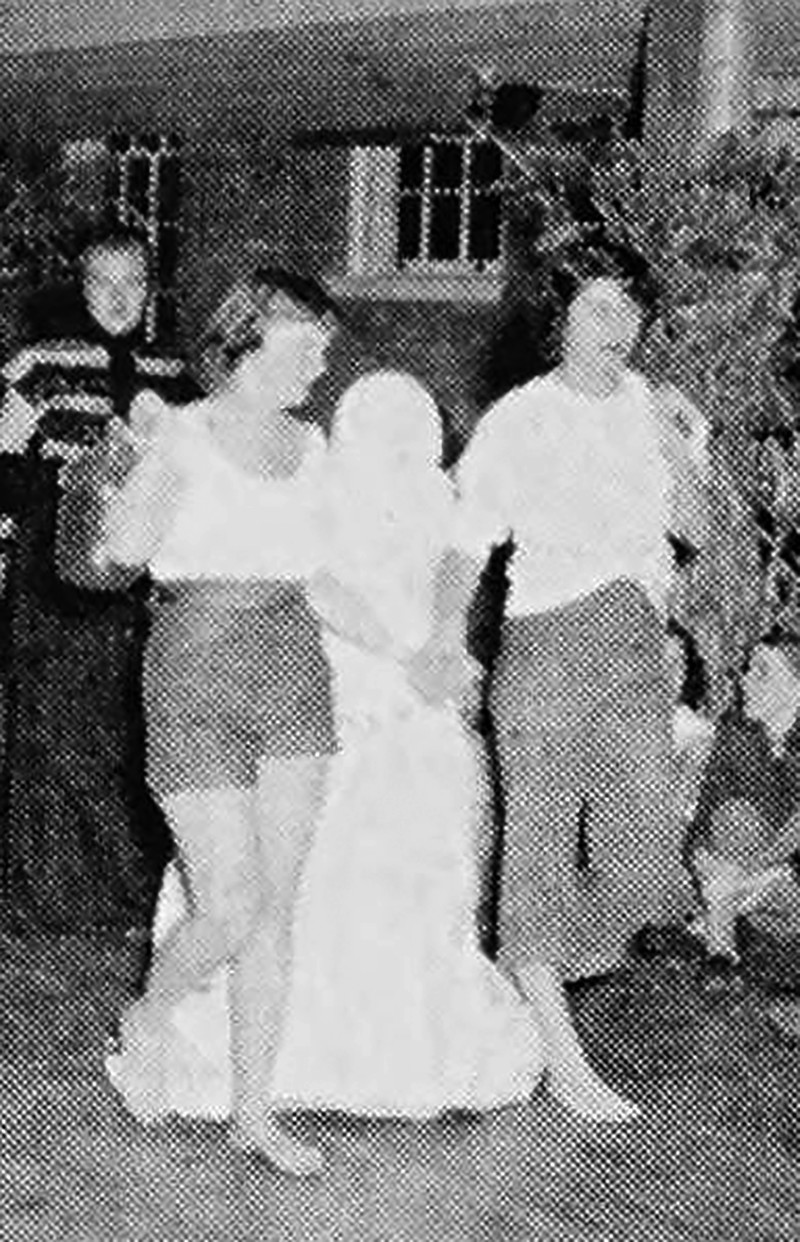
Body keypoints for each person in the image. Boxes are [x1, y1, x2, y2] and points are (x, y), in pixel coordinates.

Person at [420, 239, 707, 1121]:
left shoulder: (655, 408)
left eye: (632, 307)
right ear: (561, 319)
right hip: (546, 647)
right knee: (539, 852)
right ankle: (562, 1052)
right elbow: (466, 544)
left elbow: (695, 530)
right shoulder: (521, 419)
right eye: (598, 307)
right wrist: (445, 638)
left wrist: (677, 445)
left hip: (635, 648)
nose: (620, 325)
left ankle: (516, 963)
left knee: (647, 864)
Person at [102, 266, 340, 1175]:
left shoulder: (312, 444)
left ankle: (253, 1114)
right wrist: (139, 463)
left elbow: (327, 569)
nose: (320, 362)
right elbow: (120, 551)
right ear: (247, 339)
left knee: (275, 908)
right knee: (230, 902)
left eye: (324, 345)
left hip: (292, 664)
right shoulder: (184, 433)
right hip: (196, 665)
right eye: (306, 342)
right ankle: (149, 1016)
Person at [0, 223, 194, 930]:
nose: (117, 298)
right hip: (55, 576)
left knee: (126, 730)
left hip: (138, 583)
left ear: (150, 289)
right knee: (53, 726)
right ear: (80, 287)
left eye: (132, 283)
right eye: (102, 283)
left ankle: (124, 895)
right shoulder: (37, 366)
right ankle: (44, 896)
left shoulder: (173, 373)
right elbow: (2, 462)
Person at [684, 629, 800, 996]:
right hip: (744, 877)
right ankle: (722, 955)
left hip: (786, 878)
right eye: (747, 669)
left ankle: (716, 936)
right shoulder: (734, 737)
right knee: (732, 827)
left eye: (762, 672)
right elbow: (704, 824)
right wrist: (710, 864)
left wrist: (758, 869)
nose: (745, 681)